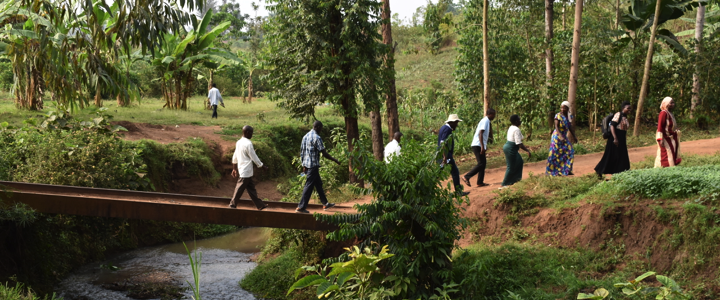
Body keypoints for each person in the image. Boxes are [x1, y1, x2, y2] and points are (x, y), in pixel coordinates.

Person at [296, 121, 341, 214]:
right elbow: (324, 153)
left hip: (308, 165)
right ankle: (301, 207)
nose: (321, 130)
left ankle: (325, 203)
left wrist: (303, 165)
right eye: (321, 128)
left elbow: (302, 152)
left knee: (318, 183)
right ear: (318, 127)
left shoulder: (306, 136)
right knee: (309, 186)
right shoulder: (317, 138)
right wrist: (335, 160)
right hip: (313, 166)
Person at [229, 125, 269, 210]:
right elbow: (254, 157)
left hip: (244, 170)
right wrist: (262, 166)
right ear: (247, 132)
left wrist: (234, 168)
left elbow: (235, 156)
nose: (252, 135)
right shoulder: (248, 143)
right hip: (245, 170)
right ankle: (232, 204)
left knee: (251, 189)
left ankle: (260, 205)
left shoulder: (239, 142)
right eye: (251, 133)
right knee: (239, 188)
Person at [594, 102, 632, 177]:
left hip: (621, 139)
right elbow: (612, 126)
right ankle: (599, 171)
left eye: (630, 108)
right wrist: (615, 138)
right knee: (609, 155)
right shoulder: (618, 114)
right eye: (628, 108)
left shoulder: (625, 117)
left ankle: (620, 173)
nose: (629, 110)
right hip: (615, 138)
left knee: (621, 156)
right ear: (623, 108)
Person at [462, 108, 496, 187]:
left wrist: (484, 145)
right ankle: (466, 177)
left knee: (483, 164)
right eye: (493, 115)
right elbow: (480, 133)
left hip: (479, 145)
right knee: (481, 163)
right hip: (477, 145)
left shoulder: (487, 121)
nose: (494, 116)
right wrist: (482, 146)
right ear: (490, 114)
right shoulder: (485, 121)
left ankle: (480, 182)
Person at [438, 114, 469, 196]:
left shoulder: (443, 128)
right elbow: (442, 143)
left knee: (438, 172)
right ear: (453, 122)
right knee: (455, 172)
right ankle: (458, 192)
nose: (457, 124)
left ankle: (427, 190)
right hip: (446, 155)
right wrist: (445, 157)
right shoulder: (447, 129)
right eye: (456, 122)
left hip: (443, 155)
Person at [546, 101, 577, 176]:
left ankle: (567, 169)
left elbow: (570, 127)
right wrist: (560, 135)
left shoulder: (569, 117)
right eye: (561, 107)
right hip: (557, 136)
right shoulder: (558, 115)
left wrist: (574, 136)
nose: (562, 109)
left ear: (568, 108)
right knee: (554, 153)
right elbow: (556, 126)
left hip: (564, 136)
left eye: (564, 108)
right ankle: (550, 171)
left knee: (570, 151)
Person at [501, 115, 532, 188]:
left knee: (519, 162)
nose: (520, 121)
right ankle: (505, 183)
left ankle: (515, 180)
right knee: (511, 166)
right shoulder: (516, 129)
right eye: (519, 120)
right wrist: (527, 150)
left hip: (509, 147)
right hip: (510, 148)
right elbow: (519, 143)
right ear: (516, 121)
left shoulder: (512, 127)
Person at [655, 97, 681, 168]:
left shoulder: (670, 113)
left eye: (673, 103)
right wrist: (660, 139)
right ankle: (665, 168)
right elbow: (660, 127)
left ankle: (671, 168)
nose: (673, 104)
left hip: (671, 137)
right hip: (665, 137)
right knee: (667, 154)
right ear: (666, 104)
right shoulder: (663, 113)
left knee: (672, 153)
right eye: (671, 103)